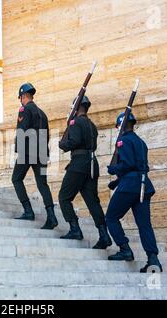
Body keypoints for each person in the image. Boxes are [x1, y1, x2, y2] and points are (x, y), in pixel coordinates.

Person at [106, 112, 163, 273]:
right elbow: (138, 166)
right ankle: (153, 259)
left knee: (111, 217)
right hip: (143, 185)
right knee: (145, 225)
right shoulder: (141, 142)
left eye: (118, 126)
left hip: (130, 186)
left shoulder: (123, 141)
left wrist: (113, 169)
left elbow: (127, 165)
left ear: (121, 125)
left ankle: (124, 248)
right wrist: (117, 181)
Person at [58, 96, 112, 250]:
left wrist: (62, 144)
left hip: (79, 163)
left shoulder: (75, 122)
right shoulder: (91, 125)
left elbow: (73, 142)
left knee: (64, 197)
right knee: (92, 201)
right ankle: (104, 235)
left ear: (76, 107)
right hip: (91, 164)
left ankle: (75, 229)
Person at [12, 83, 58, 230]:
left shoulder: (24, 109)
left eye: (20, 98)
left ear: (24, 96)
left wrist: (18, 150)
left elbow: (22, 130)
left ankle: (28, 211)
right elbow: (47, 135)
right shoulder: (42, 113)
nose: (20, 100)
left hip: (28, 151)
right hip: (42, 153)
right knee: (42, 184)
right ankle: (51, 217)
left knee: (16, 178)